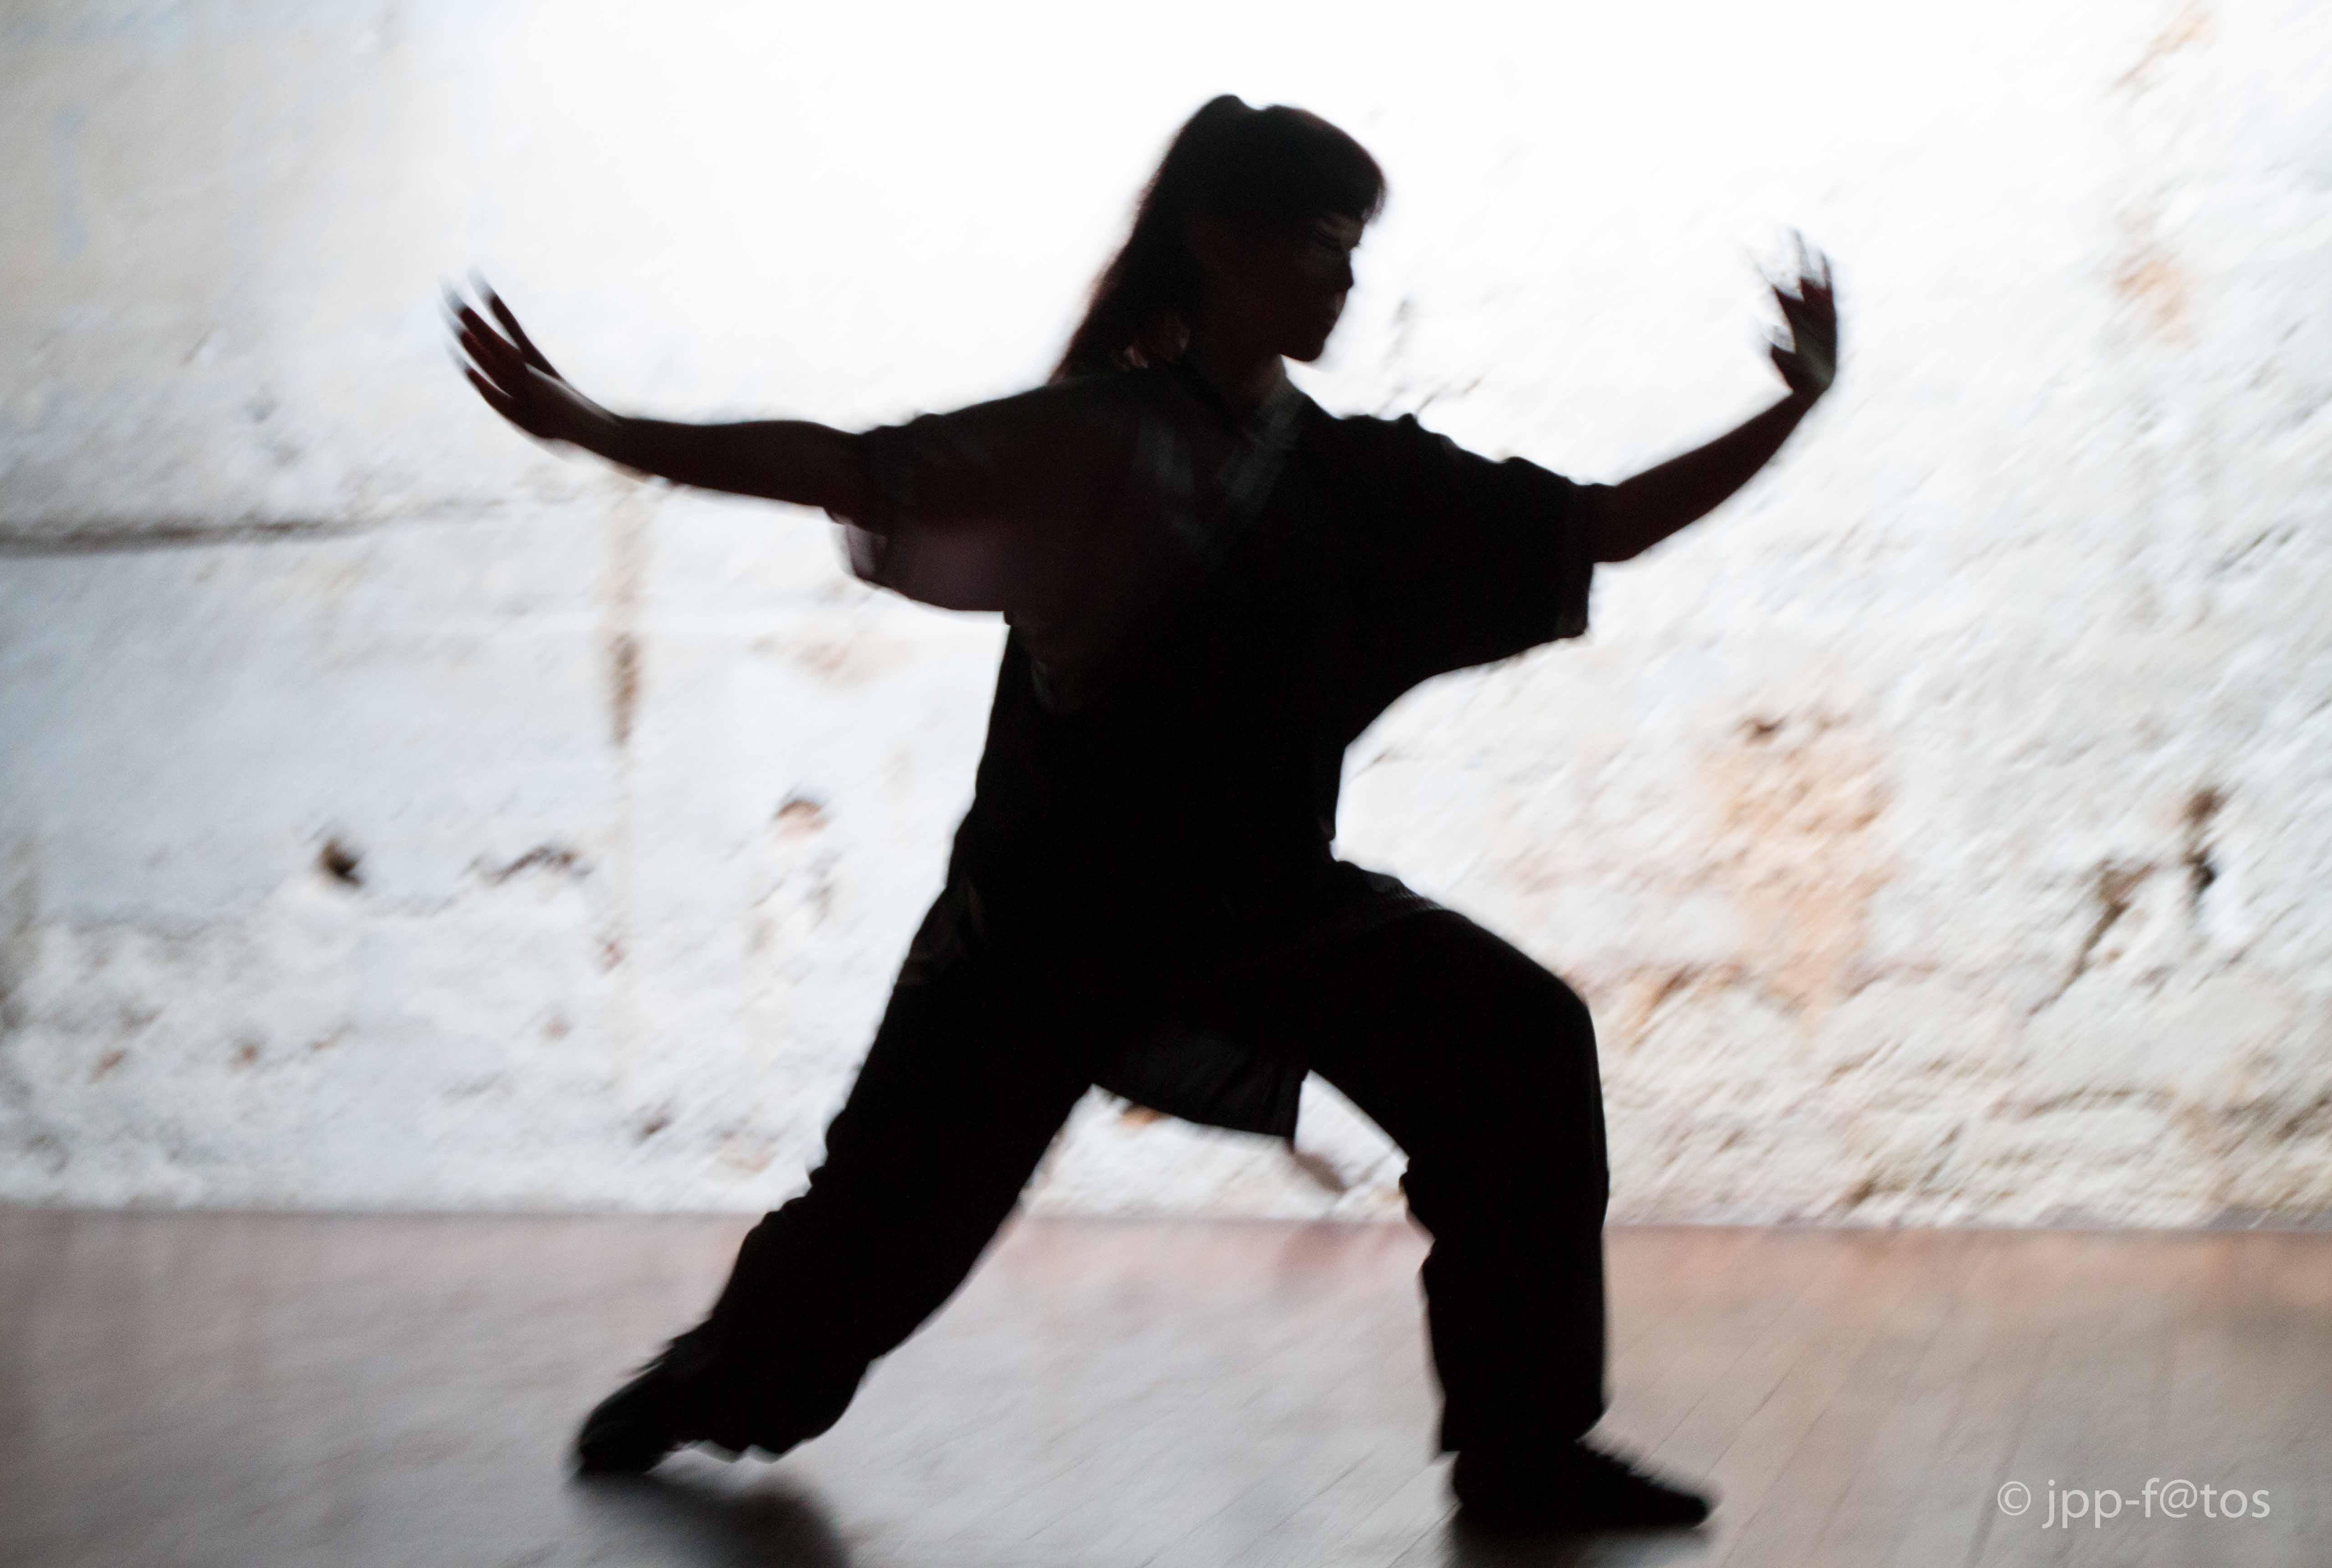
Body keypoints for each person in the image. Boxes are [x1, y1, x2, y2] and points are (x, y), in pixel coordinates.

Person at [450, 93, 1837, 1535]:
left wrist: (1793, 405)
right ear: (1220, 244)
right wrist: (599, 429)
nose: (1346, 279)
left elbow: (1601, 525)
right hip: (1042, 935)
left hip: (1259, 914)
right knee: (873, 1248)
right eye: (1321, 243)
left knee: (1519, 1045)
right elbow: (850, 469)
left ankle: (1524, 1452)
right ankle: (712, 1384)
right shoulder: (1093, 446)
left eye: (1354, 248)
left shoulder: (1355, 481)